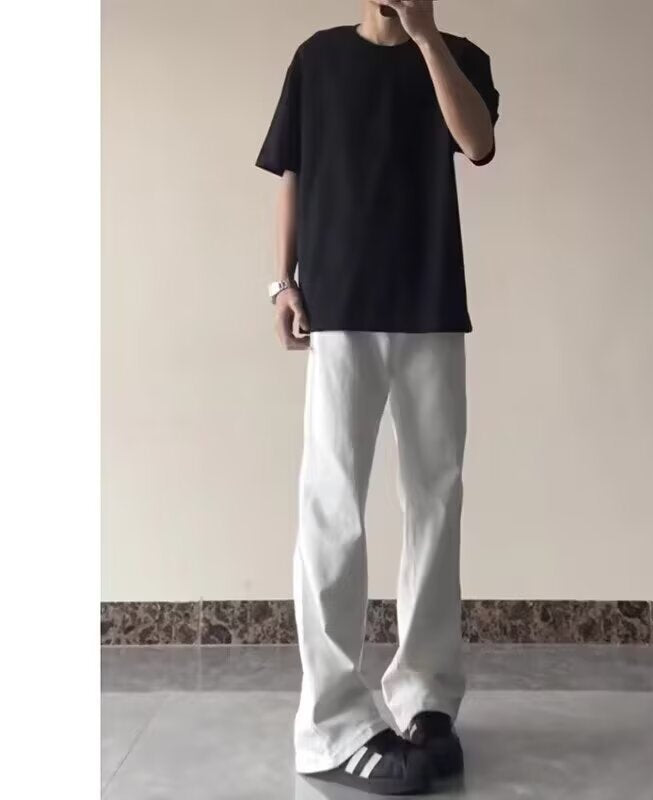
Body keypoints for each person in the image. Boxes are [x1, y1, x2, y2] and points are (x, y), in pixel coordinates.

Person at [256, 0, 499, 794]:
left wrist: (425, 37)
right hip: (340, 307)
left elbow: (477, 142)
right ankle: (329, 726)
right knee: (333, 504)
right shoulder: (317, 60)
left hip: (430, 303)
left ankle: (427, 696)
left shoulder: (459, 55)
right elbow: (292, 173)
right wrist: (282, 283)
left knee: (436, 499)